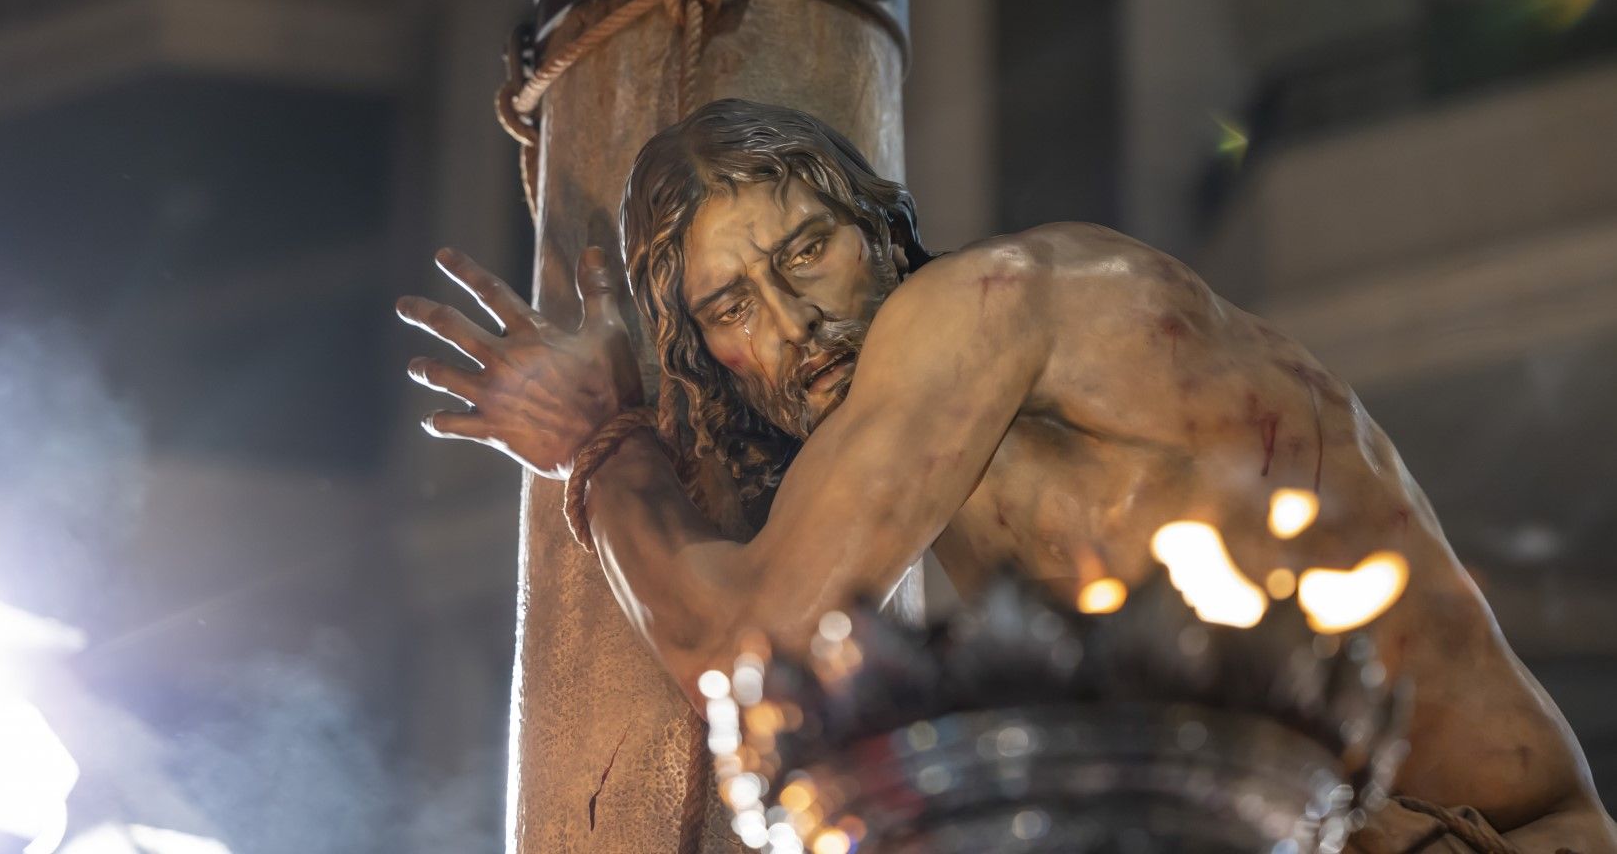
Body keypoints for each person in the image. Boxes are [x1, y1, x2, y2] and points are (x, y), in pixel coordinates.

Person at [398, 98, 1615, 851]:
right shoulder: (952, 480)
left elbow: (743, 646)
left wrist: (600, 443)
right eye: (732, 303)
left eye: (808, 247)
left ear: (882, 230)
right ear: (706, 355)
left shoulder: (987, 304)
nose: (795, 315)